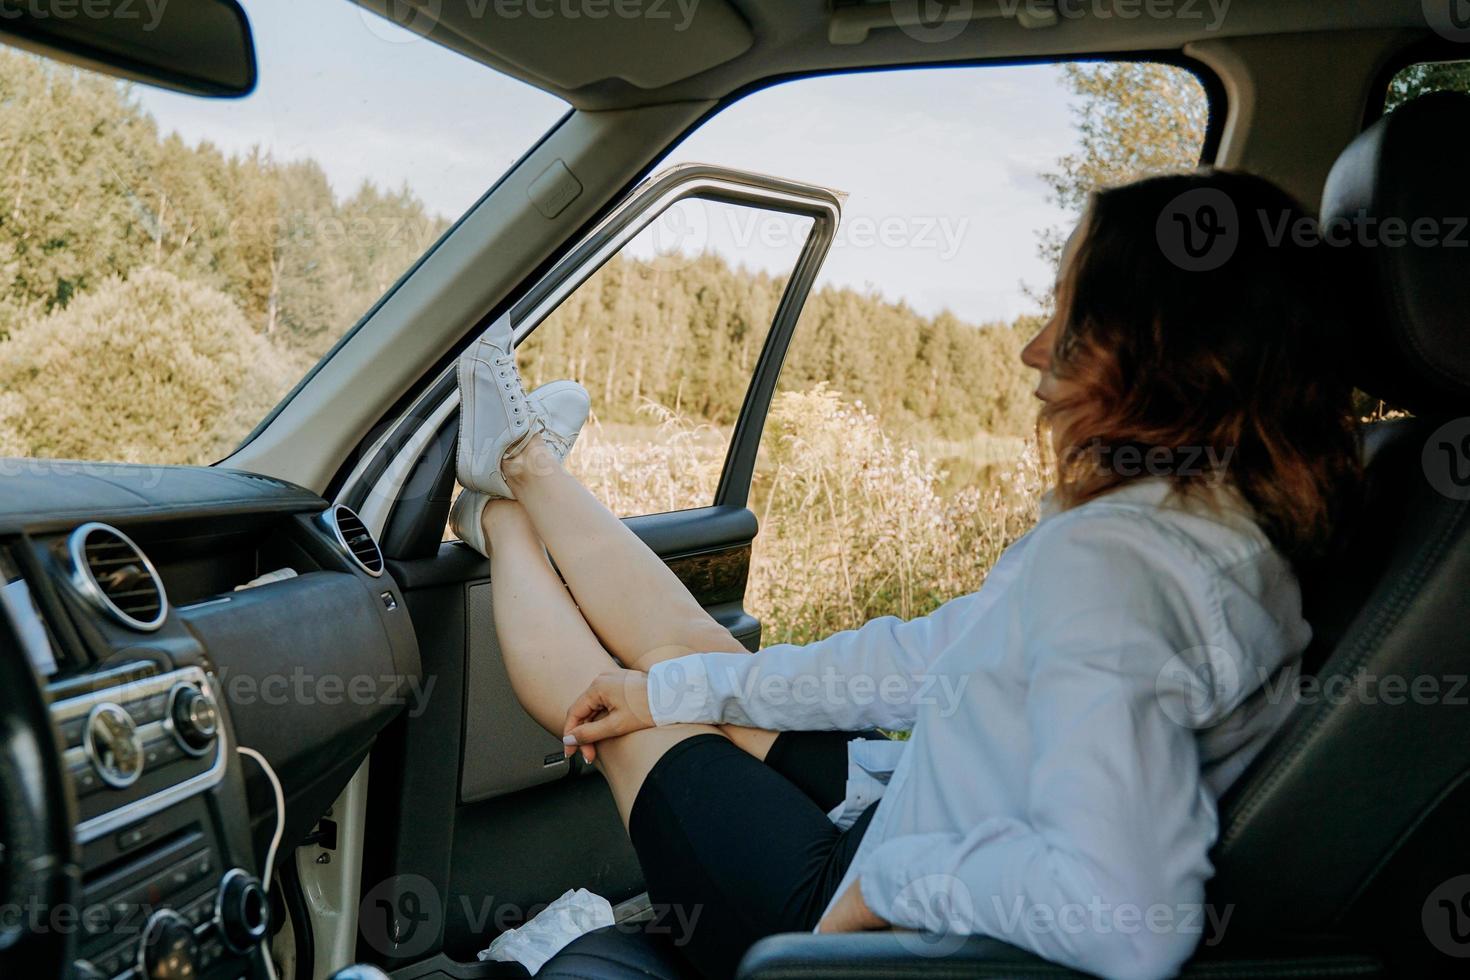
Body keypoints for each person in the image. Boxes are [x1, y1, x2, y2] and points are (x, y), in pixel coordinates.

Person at [447, 169, 1360, 980]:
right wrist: (679, 688)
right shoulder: (1229, 520)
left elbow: (1129, 925)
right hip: (916, 808)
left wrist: (894, 877)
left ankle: (492, 515)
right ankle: (522, 465)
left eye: (1071, 319)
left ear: (1160, 353)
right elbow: (928, 659)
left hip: (846, 930)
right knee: (689, 661)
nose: (1036, 349)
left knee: (617, 723)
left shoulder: (1122, 569)